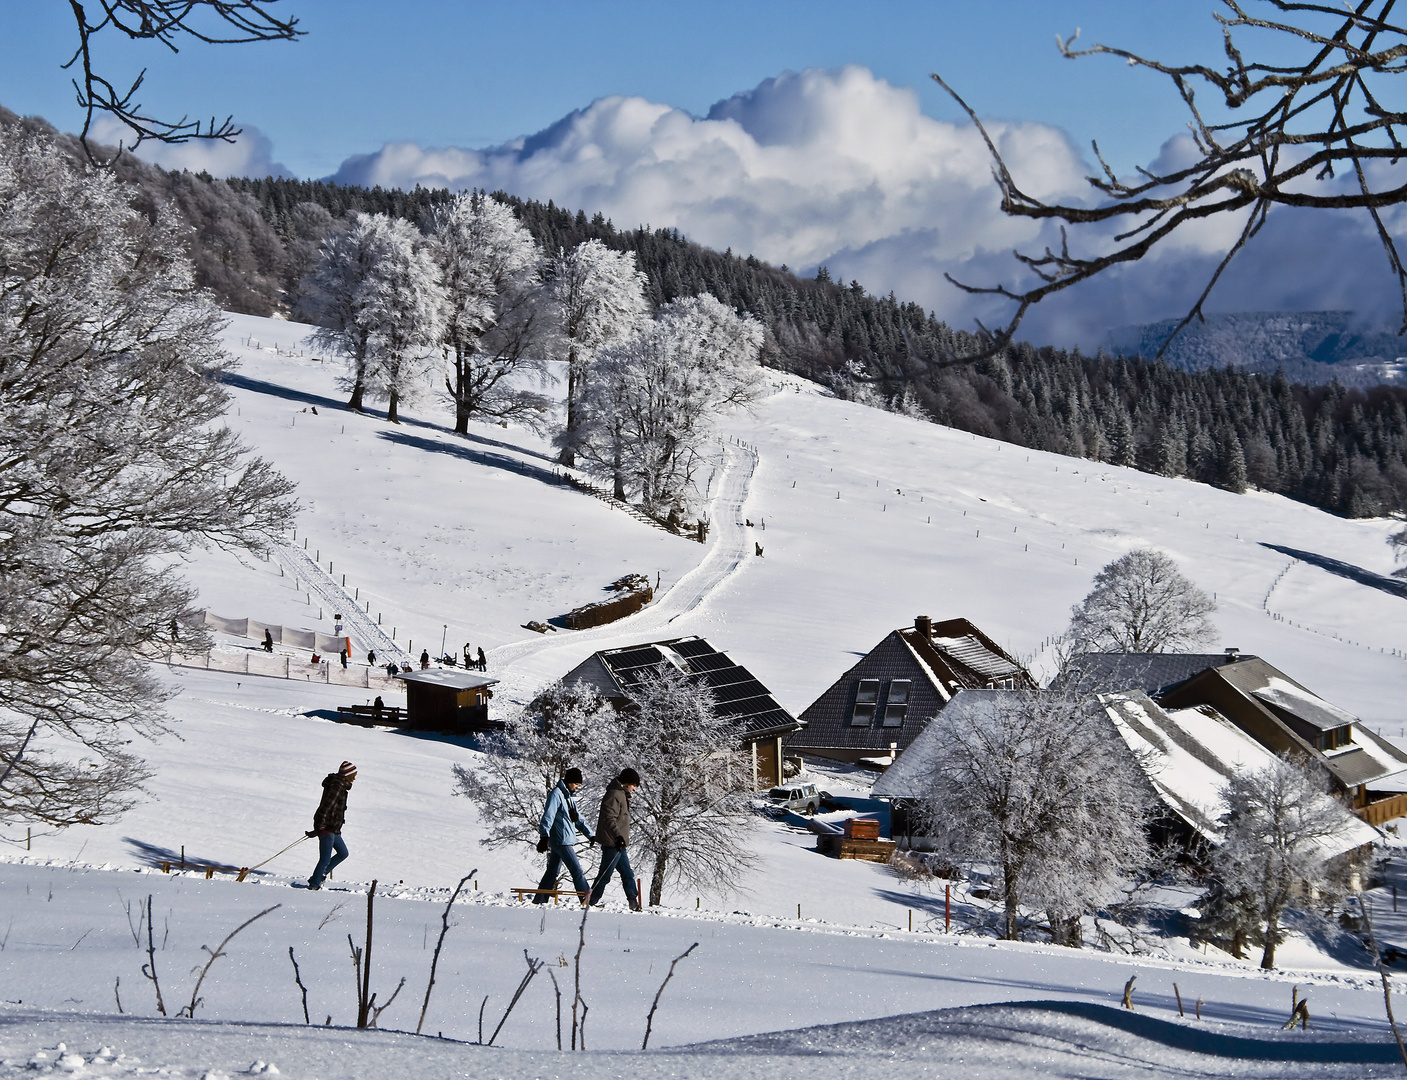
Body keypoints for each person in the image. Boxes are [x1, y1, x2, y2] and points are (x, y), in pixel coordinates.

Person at [534, 767, 594, 904]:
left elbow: (578, 819)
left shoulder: (569, 798)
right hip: (561, 841)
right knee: (577, 871)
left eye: (579, 785)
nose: (577, 787)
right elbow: (548, 816)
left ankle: (540, 899)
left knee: (552, 872)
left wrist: (590, 835)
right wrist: (544, 836)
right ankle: (587, 900)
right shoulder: (556, 794)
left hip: (563, 840)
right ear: (568, 781)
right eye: (576, 784)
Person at [589, 768, 642, 910]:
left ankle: (633, 902)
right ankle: (590, 901)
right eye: (634, 785)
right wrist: (617, 836)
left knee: (627, 873)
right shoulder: (614, 795)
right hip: (613, 842)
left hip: (619, 843)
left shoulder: (621, 795)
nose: (634, 789)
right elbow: (609, 819)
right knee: (605, 874)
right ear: (627, 783)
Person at [307, 761, 356, 890]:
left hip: (333, 828)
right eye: (353, 775)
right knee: (325, 859)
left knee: (343, 853)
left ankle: (318, 877)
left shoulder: (340, 786)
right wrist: (320, 827)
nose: (355, 778)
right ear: (348, 775)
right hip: (327, 827)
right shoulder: (337, 787)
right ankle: (314, 885)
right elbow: (326, 807)